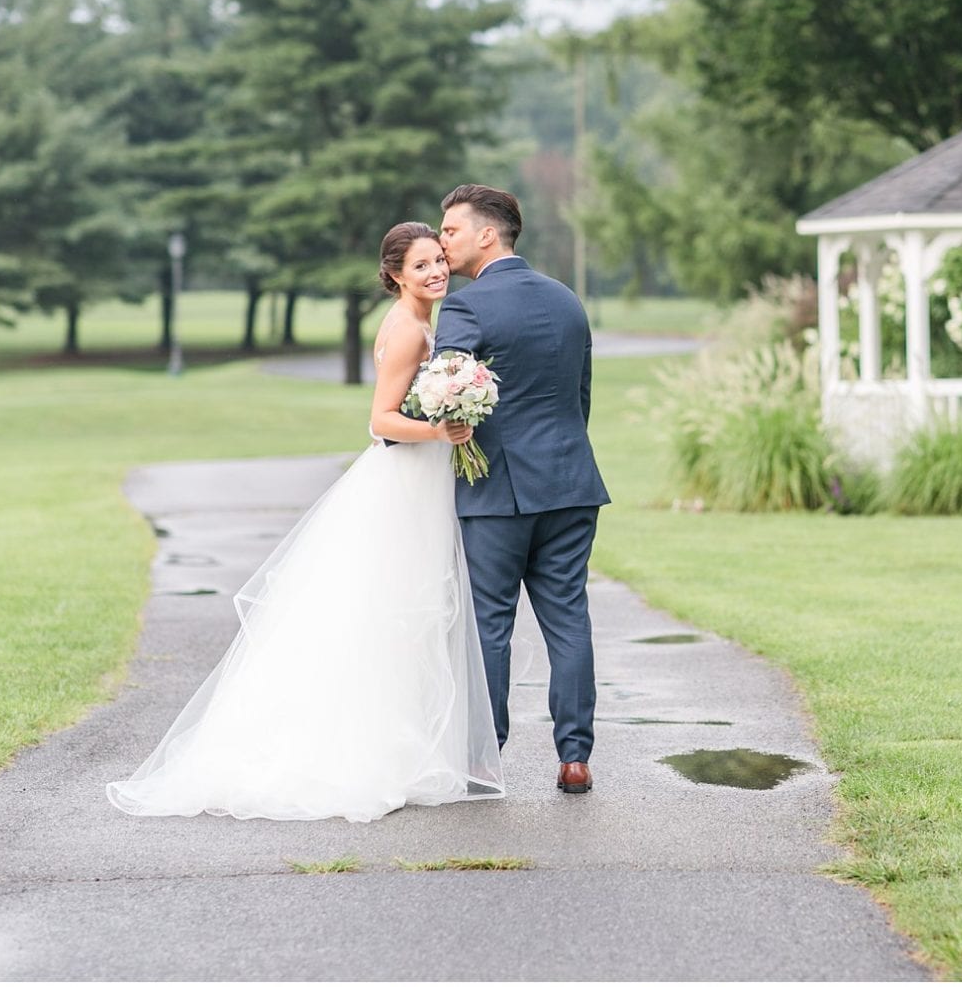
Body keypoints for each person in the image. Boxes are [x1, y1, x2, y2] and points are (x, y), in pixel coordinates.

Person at [107, 223, 504, 822]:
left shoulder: (428, 324)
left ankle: (405, 744)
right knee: (389, 613)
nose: (436, 273)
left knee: (410, 617)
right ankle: (365, 753)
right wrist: (442, 430)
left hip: (423, 482)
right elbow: (380, 421)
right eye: (420, 266)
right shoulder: (404, 330)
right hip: (401, 484)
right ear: (396, 274)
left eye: (438, 261)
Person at [435, 184, 611, 794]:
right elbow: (580, 397)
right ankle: (575, 758)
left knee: (491, 623)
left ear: (488, 234)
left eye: (450, 229)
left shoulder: (465, 307)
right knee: (569, 620)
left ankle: (486, 757)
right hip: (570, 482)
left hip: (497, 491)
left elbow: (447, 399)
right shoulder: (567, 301)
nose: (441, 239)